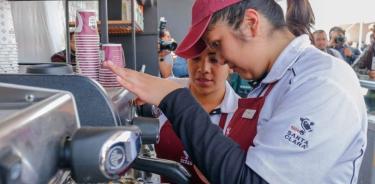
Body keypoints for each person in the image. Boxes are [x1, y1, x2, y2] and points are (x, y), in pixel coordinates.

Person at [104, 0, 367, 183]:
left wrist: (173, 98)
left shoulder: (322, 82)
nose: (222, 60)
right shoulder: (269, 84)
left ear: (251, 23)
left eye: (217, 44)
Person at [155, 48, 240, 184]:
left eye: (214, 59)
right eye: (195, 58)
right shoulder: (167, 91)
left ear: (230, 66)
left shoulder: (241, 116)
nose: (204, 68)